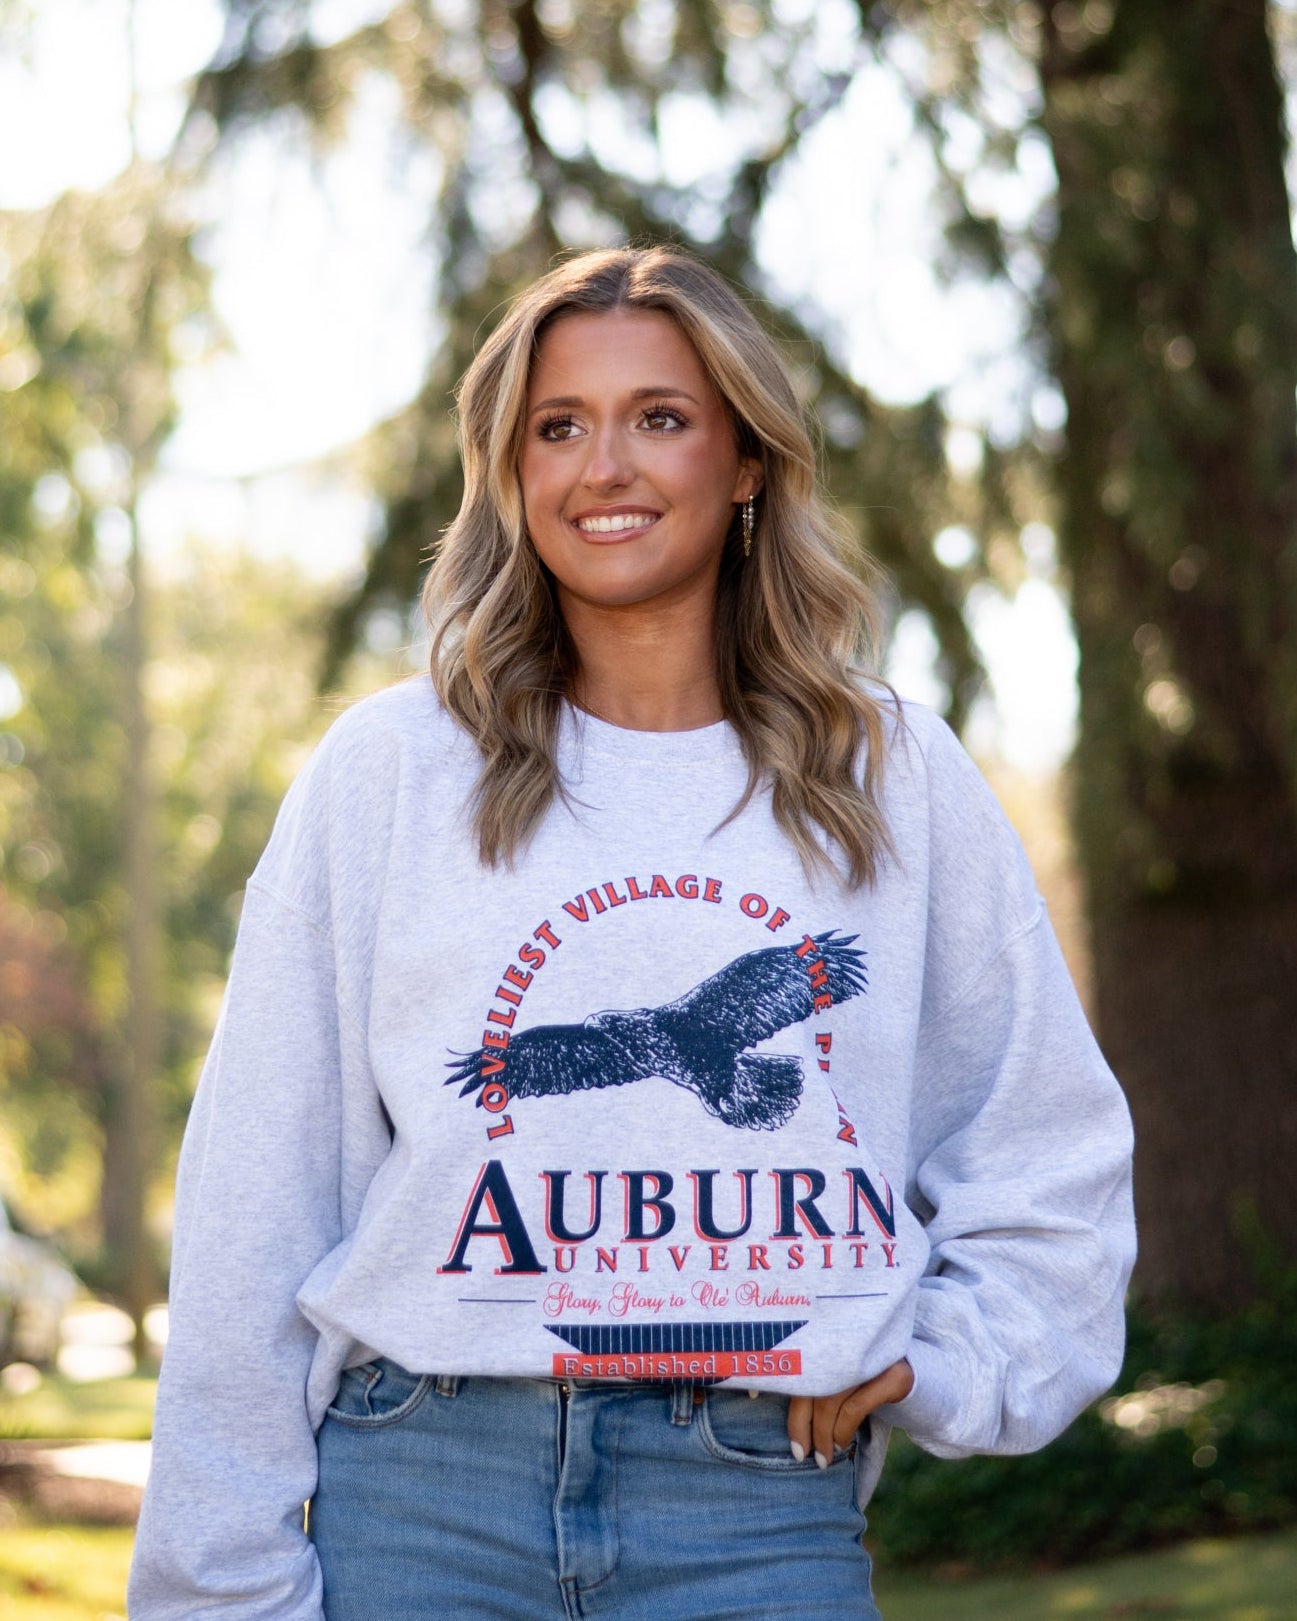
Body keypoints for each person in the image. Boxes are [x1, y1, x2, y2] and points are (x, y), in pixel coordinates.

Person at [128, 246, 1135, 1620]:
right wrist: (215, 1588)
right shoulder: (389, 775)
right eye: (558, 426)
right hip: (418, 1495)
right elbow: (256, 1203)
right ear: (513, 472)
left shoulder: (890, 777)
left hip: (749, 1499)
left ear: (745, 464)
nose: (603, 464)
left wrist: (943, 1356)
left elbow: (1047, 1154)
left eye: (658, 416)